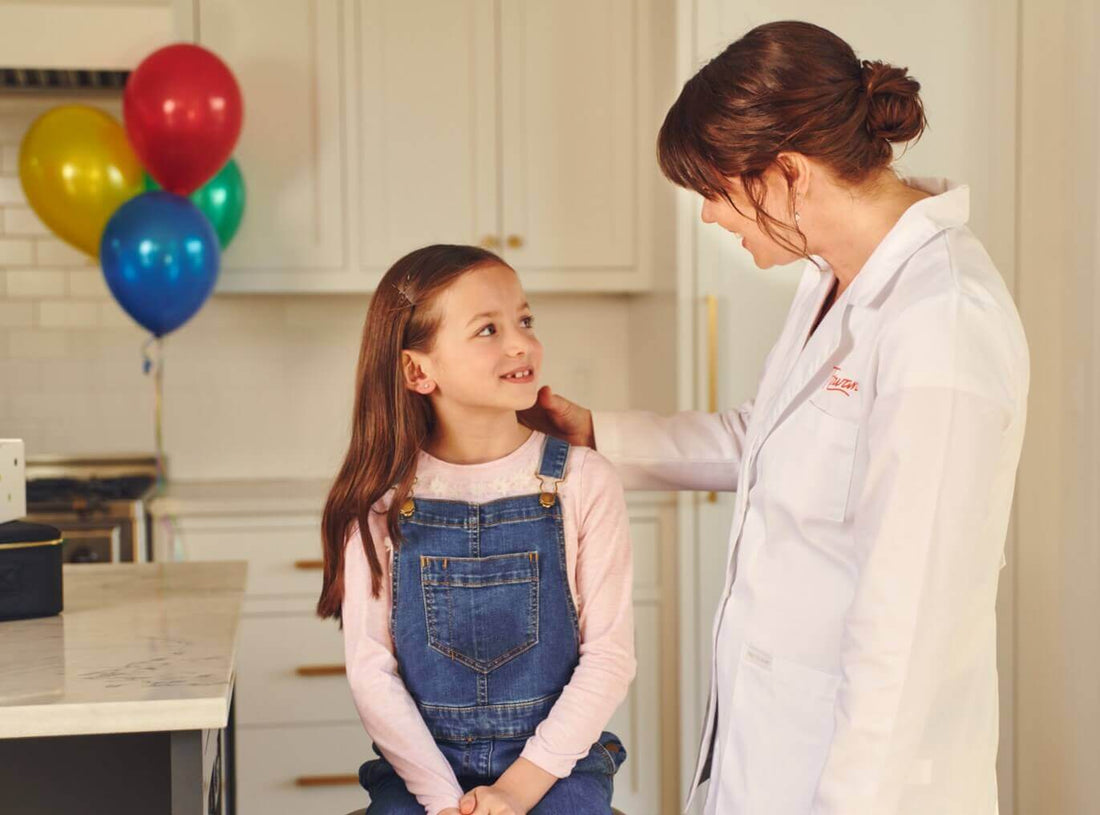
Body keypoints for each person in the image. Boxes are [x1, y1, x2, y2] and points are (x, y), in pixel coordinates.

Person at [520, 20, 1029, 815]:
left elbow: (903, 636)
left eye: (715, 192)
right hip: (769, 757)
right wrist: (595, 434)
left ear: (787, 172)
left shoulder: (941, 324)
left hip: (861, 784)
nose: (710, 218)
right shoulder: (834, 280)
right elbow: (760, 441)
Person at [317, 244, 635, 815]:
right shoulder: (381, 500)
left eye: (525, 320)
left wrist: (517, 789)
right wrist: (443, 802)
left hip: (554, 765)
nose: (521, 343)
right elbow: (372, 674)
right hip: (422, 771)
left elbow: (610, 659)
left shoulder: (584, 481)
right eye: (488, 329)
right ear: (419, 370)